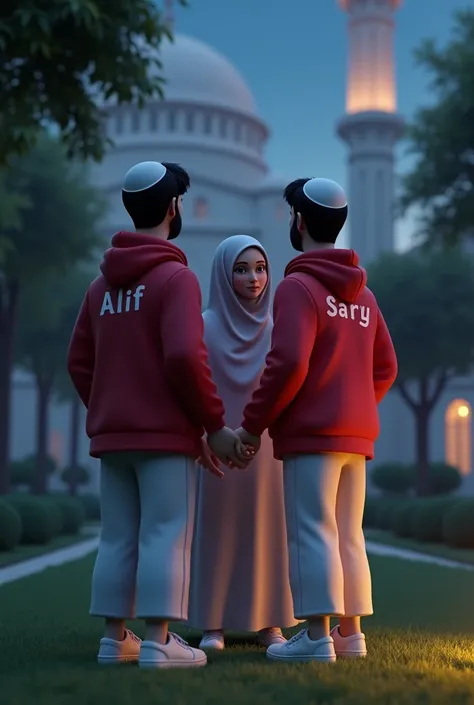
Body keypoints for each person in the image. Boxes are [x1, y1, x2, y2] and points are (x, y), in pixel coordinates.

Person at [67, 161, 248, 670]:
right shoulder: (177, 278)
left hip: (113, 434)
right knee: (166, 533)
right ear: (174, 209)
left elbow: (78, 361)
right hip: (165, 435)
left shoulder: (100, 288)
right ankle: (158, 640)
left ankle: (113, 638)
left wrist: (107, 407)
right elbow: (186, 358)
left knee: (118, 534)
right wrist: (212, 427)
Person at [236, 178, 398, 664]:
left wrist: (251, 425)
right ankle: (351, 635)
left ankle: (315, 636)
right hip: (356, 435)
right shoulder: (364, 297)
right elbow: (385, 366)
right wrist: (355, 406)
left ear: (299, 222)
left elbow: (286, 363)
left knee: (312, 530)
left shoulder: (297, 288)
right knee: (349, 533)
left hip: (311, 435)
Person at [187, 235, 298, 650]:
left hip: (265, 449)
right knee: (216, 527)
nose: (253, 278)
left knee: (268, 526)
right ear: (222, 273)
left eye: (260, 268)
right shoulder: (202, 325)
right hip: (214, 447)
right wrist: (206, 432)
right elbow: (191, 384)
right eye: (241, 269)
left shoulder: (278, 329)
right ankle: (212, 622)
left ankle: (270, 621)